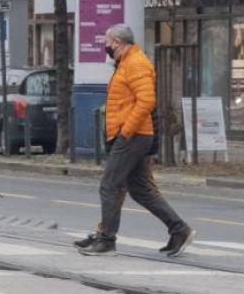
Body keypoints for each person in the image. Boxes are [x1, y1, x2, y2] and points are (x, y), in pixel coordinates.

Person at [75, 24, 195, 257]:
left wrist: (126, 131)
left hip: (133, 135)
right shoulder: (125, 63)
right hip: (133, 135)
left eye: (107, 42)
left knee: (109, 185)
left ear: (118, 42)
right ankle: (179, 229)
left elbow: (146, 101)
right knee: (141, 190)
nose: (105, 46)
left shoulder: (136, 63)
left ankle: (107, 240)